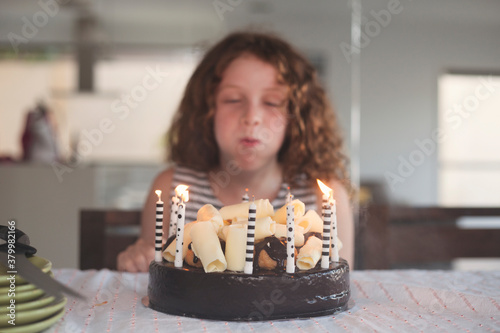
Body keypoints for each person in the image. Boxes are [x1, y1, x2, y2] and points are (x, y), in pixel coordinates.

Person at [117, 31, 354, 272]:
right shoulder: (170, 187)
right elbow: (152, 266)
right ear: (207, 110)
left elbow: (338, 282)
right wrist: (138, 258)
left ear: (297, 117)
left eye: (272, 102)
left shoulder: (323, 195)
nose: (251, 118)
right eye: (232, 99)